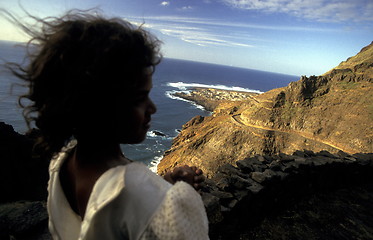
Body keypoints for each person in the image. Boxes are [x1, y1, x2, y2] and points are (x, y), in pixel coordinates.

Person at [7, 9, 209, 240]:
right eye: (138, 99)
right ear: (97, 106)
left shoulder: (60, 163)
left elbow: (113, 210)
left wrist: (166, 185)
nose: (152, 108)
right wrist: (181, 197)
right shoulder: (146, 195)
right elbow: (134, 200)